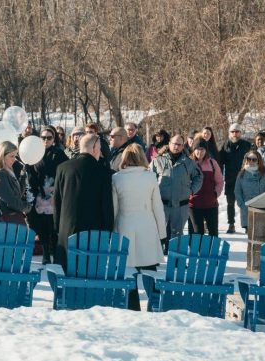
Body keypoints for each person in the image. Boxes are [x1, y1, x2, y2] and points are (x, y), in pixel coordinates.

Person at [112, 144, 167, 310]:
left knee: (129, 271)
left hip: (125, 225)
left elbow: (114, 208)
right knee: (150, 269)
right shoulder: (150, 177)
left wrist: (112, 231)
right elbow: (157, 206)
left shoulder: (116, 178)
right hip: (147, 226)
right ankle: (155, 303)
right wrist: (162, 233)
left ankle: (132, 306)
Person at [54, 133, 114, 267]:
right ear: (94, 148)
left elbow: (57, 200)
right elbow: (107, 205)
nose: (100, 151)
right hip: (93, 231)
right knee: (90, 270)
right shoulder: (103, 172)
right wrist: (109, 229)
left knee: (67, 272)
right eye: (99, 148)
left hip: (66, 228)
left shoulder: (63, 168)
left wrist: (58, 226)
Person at [25, 127, 68, 264]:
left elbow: (65, 171)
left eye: (49, 137)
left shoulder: (59, 153)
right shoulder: (35, 153)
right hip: (38, 194)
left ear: (54, 139)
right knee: (41, 225)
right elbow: (30, 171)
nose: (46, 140)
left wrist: (55, 188)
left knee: (54, 225)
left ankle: (55, 253)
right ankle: (45, 253)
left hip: (55, 194)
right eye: (43, 137)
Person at [151, 134, 202, 246]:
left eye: (179, 144)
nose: (176, 146)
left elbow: (199, 177)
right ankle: (156, 261)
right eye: (174, 144)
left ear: (183, 146)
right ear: (169, 144)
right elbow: (150, 179)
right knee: (158, 233)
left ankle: (177, 261)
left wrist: (191, 191)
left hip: (181, 206)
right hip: (162, 205)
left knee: (177, 236)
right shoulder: (158, 161)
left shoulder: (188, 163)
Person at [0, 140, 31, 225]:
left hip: (8, 221)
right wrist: (28, 207)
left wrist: (22, 177)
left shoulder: (8, 171)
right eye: (12, 156)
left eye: (15, 156)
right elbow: (11, 201)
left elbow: (17, 195)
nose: (14, 159)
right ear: (2, 156)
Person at [218, 123, 252, 234]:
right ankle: (231, 224)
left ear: (240, 133)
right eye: (232, 132)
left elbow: (255, 160)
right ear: (229, 133)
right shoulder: (225, 145)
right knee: (230, 203)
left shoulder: (247, 145)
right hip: (230, 179)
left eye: (237, 131)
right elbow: (219, 162)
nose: (235, 134)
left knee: (246, 203)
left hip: (245, 179)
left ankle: (247, 225)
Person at [188, 139, 223, 236]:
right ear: (194, 150)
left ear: (206, 150)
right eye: (197, 149)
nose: (200, 152)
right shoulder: (188, 163)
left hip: (211, 204)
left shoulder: (212, 163)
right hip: (194, 205)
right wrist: (188, 194)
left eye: (202, 149)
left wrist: (215, 193)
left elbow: (219, 182)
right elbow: (184, 182)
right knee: (196, 233)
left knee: (213, 232)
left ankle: (212, 251)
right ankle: (196, 251)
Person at [234, 150, 265, 233]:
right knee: (250, 238)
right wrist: (242, 205)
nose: (251, 161)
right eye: (249, 159)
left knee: (262, 239)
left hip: (262, 211)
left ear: (259, 161)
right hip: (247, 210)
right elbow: (237, 191)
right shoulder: (241, 174)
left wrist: (264, 206)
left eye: (254, 159)